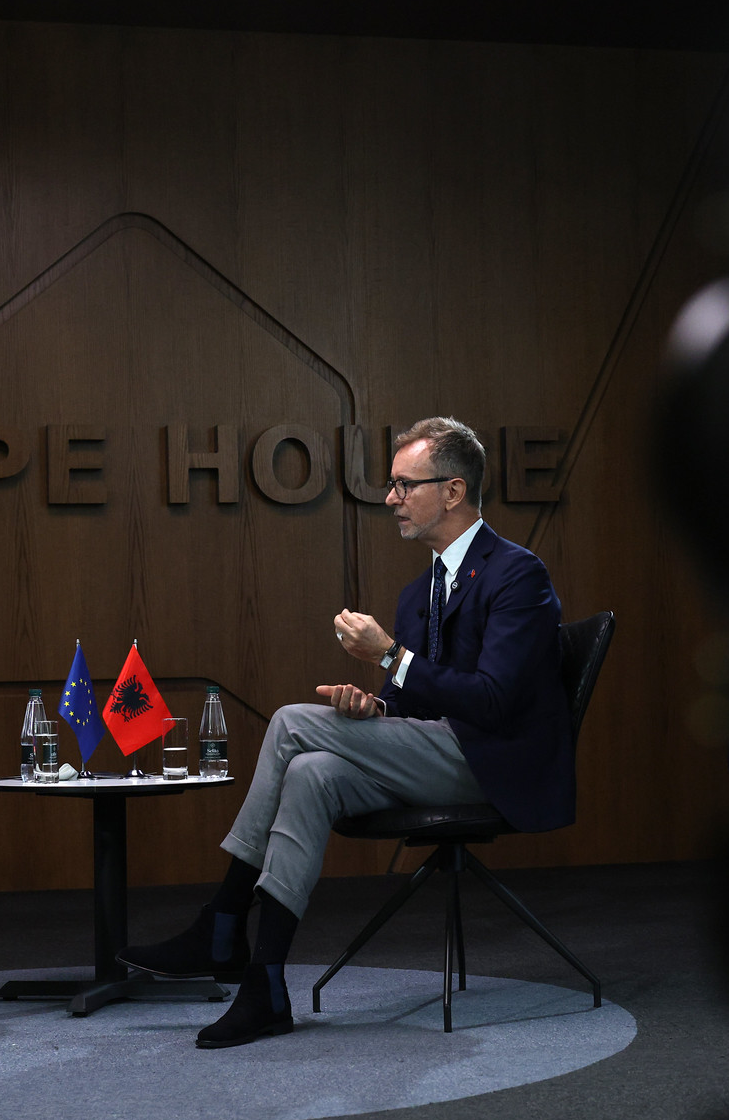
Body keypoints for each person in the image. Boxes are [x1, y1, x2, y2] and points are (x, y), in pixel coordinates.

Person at [121, 417, 574, 1048]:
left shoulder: (518, 574)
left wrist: (389, 654)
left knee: (289, 722)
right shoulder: (419, 593)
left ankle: (222, 921)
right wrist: (372, 707)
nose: (390, 498)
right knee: (312, 772)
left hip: (492, 763)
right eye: (392, 484)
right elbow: (407, 703)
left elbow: (493, 703)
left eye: (404, 484)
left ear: (452, 491)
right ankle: (265, 983)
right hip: (434, 754)